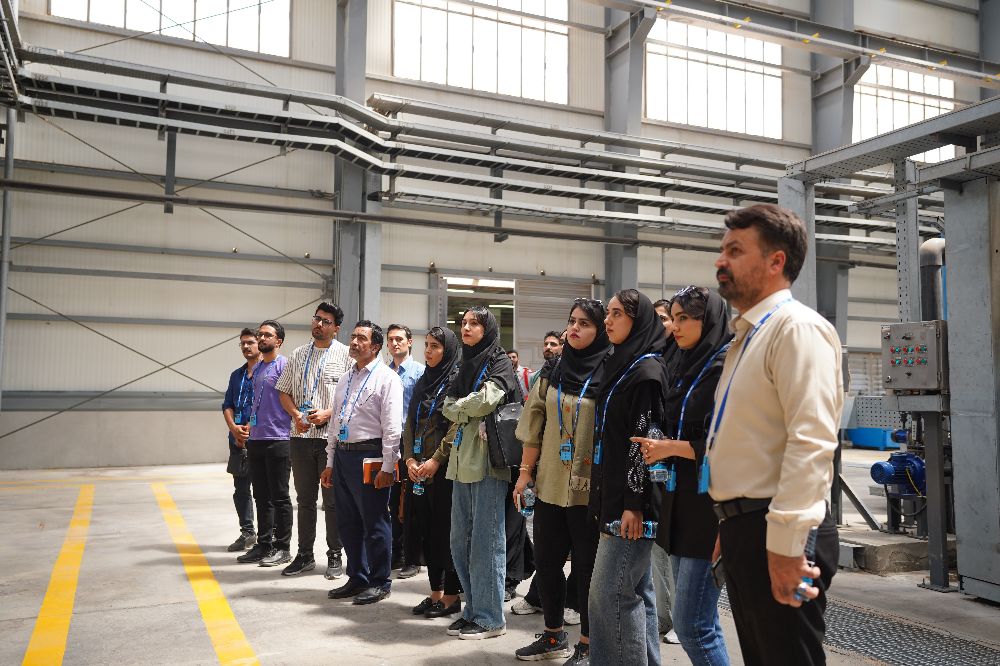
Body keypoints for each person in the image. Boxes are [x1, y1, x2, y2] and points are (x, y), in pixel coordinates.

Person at [709, 204, 843, 665]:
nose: (720, 261)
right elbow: (752, 441)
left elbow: (811, 443)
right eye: (722, 250)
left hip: (780, 529)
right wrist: (729, 522)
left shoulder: (796, 329)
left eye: (735, 250)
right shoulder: (749, 336)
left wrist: (786, 548)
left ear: (776, 261)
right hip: (747, 527)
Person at [633, 286, 732, 666]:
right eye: (672, 318)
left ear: (708, 321)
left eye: (683, 318)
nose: (674, 326)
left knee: (692, 625)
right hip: (680, 499)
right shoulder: (684, 364)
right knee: (698, 621)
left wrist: (671, 448)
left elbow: (729, 444)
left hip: (710, 504)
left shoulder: (725, 369)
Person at [513, 298, 610, 665]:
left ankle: (588, 643)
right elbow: (534, 422)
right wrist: (525, 473)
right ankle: (553, 635)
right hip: (551, 483)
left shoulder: (611, 369)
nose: (575, 328)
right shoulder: (554, 368)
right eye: (572, 321)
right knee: (548, 562)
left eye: (584, 323)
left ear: (599, 330)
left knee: (586, 568)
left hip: (590, 489)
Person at [588, 289, 668, 666]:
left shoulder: (646, 373)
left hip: (632, 504)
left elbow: (642, 442)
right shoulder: (622, 364)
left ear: (638, 321)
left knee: (610, 595)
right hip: (616, 493)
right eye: (608, 313)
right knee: (638, 592)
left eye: (617, 313)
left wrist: (633, 505)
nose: (608, 320)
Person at [442, 306, 518, 640]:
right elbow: (446, 405)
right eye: (464, 322)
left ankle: (491, 618)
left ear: (487, 329)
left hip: (488, 460)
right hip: (461, 460)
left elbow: (487, 401)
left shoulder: (499, 361)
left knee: (487, 542)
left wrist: (459, 407)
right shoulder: (465, 364)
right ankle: (472, 610)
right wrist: (463, 408)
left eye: (475, 323)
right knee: (460, 540)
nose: (467, 327)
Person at [322, 321, 403, 605]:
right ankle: (357, 577)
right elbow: (335, 423)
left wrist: (388, 467)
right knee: (348, 522)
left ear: (376, 346)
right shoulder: (346, 378)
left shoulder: (387, 379)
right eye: (353, 336)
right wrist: (330, 461)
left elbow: (392, 428)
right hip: (343, 456)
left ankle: (380, 581)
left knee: (374, 521)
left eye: (361, 338)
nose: (354, 342)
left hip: (371, 456)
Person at [275, 303, 351, 578]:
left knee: (332, 501)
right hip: (301, 437)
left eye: (326, 321)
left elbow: (352, 396)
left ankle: (335, 555)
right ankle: (305, 555)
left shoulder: (346, 356)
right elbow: (283, 391)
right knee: (305, 499)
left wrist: (328, 413)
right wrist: (296, 414)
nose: (319, 324)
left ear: (336, 328)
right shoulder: (297, 354)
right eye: (317, 318)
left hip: (330, 440)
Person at [402, 326, 463, 619]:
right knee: (425, 532)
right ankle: (436, 593)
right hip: (419, 469)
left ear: (448, 350)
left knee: (444, 534)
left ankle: (452, 597)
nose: (428, 351)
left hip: (444, 471)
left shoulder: (456, 382)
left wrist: (436, 460)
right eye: (426, 345)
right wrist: (410, 459)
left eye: (435, 346)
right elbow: (409, 424)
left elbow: (456, 427)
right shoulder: (423, 382)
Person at [237, 321, 293, 566]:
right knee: (260, 496)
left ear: (278, 341)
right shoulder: (259, 367)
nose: (261, 338)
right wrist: (249, 426)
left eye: (267, 335)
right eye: (259, 334)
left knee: (280, 496)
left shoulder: (285, 366)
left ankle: (283, 547)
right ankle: (263, 545)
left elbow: (293, 398)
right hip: (257, 439)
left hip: (278, 438)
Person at [651, 296, 680, 645]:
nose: (661, 325)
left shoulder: (683, 359)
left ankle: (680, 617)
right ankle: (662, 614)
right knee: (657, 544)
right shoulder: (652, 356)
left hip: (676, 460)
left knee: (674, 546)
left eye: (665, 318)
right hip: (654, 460)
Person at [386, 324, 426, 578]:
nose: (395, 343)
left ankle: (413, 557)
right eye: (391, 339)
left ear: (410, 342)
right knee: (390, 500)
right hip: (387, 442)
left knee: (411, 501)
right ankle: (396, 552)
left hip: (410, 442)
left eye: (399, 339)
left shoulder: (420, 372)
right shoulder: (383, 371)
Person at [221, 328, 260, 552]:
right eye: (242, 343)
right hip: (237, 440)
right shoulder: (236, 375)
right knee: (241, 489)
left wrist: (250, 429)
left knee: (265, 492)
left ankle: (269, 537)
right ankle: (247, 532)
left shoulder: (268, 373)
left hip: (260, 439)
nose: (246, 346)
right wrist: (234, 429)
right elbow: (227, 405)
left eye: (250, 342)